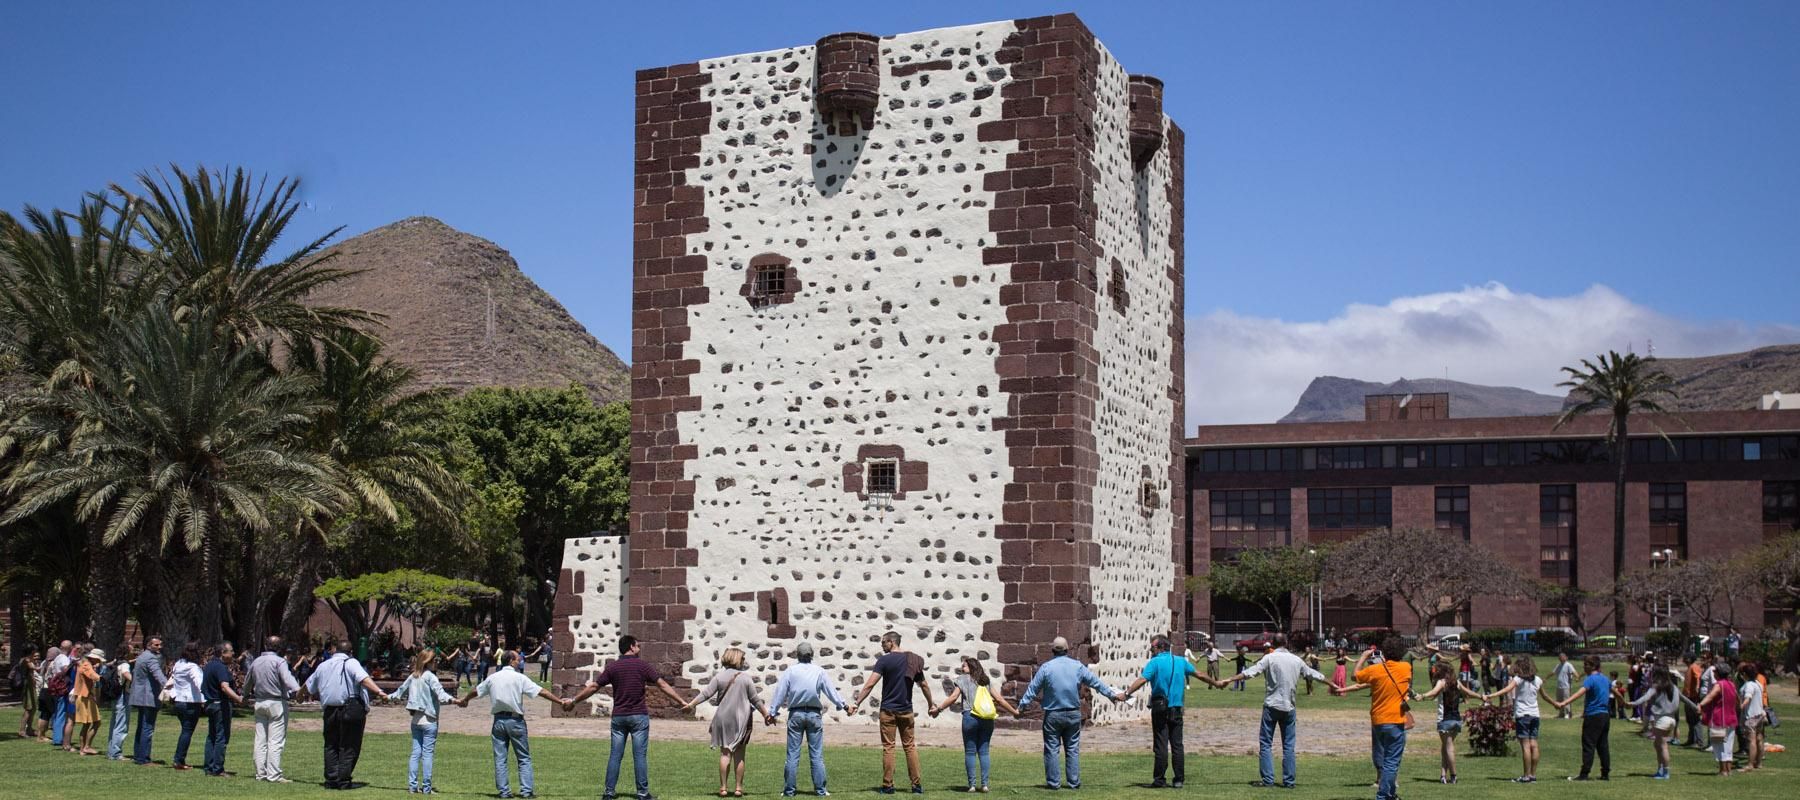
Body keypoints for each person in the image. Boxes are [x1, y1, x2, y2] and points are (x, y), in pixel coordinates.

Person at [564, 634, 692, 800]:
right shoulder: (642, 666)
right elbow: (662, 684)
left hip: (619, 717)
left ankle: (609, 792)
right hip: (639, 716)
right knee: (639, 756)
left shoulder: (613, 667)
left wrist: (574, 701)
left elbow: (594, 686)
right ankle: (642, 793)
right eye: (637, 645)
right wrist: (682, 701)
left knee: (615, 755)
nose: (639, 648)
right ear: (631, 647)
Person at [1211, 633, 1333, 788]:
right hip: (1289, 706)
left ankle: (1268, 780)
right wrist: (1332, 684)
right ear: (1287, 643)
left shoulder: (1269, 658)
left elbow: (1250, 672)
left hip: (1271, 705)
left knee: (1266, 743)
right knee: (1289, 745)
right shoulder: (1296, 660)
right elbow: (1314, 674)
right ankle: (1289, 781)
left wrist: (1229, 679)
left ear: (1273, 644)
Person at [1017, 635, 1127, 791]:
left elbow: (1032, 689)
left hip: (1053, 714)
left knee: (1052, 749)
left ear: (1052, 650)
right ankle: (1073, 782)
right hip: (1073, 713)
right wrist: (1111, 694)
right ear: (1067, 650)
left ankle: (1054, 783)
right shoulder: (1077, 666)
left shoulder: (1046, 668)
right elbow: (1096, 683)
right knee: (1072, 748)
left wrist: (1021, 707)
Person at [459, 649, 565, 799]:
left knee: (500, 757)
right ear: (510, 661)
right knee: (523, 757)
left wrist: (465, 700)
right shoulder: (519, 678)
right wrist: (559, 701)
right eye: (517, 659)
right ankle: (526, 791)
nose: (520, 660)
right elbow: (541, 691)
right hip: (515, 720)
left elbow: (476, 690)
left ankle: (504, 791)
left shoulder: (493, 677)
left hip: (498, 721)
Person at [851, 631, 937, 795]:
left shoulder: (884, 660)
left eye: (883, 642)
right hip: (906, 710)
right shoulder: (912, 660)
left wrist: (857, 703)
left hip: (888, 711)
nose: (882, 645)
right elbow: (924, 685)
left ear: (891, 642)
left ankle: (888, 786)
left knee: (889, 748)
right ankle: (916, 786)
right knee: (910, 747)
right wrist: (930, 704)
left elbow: (870, 684)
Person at [680, 648, 769, 798]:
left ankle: (723, 788)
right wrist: (766, 714)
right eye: (742, 659)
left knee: (725, 753)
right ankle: (738, 788)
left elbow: (706, 694)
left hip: (723, 718)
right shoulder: (745, 678)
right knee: (739, 754)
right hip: (741, 719)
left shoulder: (719, 677)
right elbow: (755, 700)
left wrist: (691, 705)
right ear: (736, 659)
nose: (743, 662)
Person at [305, 638, 391, 790]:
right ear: (350, 652)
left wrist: (298, 696)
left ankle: (332, 780)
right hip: (351, 707)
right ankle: (343, 780)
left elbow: (308, 684)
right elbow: (363, 679)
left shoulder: (323, 665)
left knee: (331, 745)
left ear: (335, 651)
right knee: (349, 745)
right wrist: (379, 692)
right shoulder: (351, 663)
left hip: (330, 710)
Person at [1333, 637, 1412, 800]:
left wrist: (1363, 657)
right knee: (1392, 761)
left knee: (1384, 757)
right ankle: (1383, 795)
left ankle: (1390, 794)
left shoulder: (1376, 670)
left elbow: (1355, 676)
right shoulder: (1406, 667)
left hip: (1378, 719)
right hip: (1396, 719)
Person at [768, 641, 850, 797]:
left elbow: (780, 693)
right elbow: (831, 691)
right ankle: (820, 790)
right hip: (814, 715)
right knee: (816, 755)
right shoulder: (819, 671)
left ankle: (789, 790)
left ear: (797, 654)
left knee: (792, 755)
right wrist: (844, 706)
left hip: (796, 714)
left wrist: (773, 712)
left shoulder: (790, 671)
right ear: (811, 654)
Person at [929, 655, 1019, 794]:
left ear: (970, 667)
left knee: (970, 752)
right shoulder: (985, 680)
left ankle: (971, 785)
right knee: (984, 751)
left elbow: (953, 697)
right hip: (987, 719)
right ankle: (984, 785)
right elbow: (999, 699)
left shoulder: (962, 680)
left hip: (970, 717)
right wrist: (1014, 711)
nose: (961, 668)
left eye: (964, 666)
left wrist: (939, 709)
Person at [1119, 635, 1199, 789]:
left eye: (1152, 648)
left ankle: (1160, 779)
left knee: (1161, 745)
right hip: (1176, 708)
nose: (1151, 651)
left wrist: (1127, 693)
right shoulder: (1180, 661)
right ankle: (1178, 780)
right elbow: (1199, 674)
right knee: (1177, 745)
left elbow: (1142, 680)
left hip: (1160, 707)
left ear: (1161, 647)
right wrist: (1216, 682)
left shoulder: (1154, 663)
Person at [1551, 655, 1626, 781]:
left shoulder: (1590, 679)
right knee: (1603, 745)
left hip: (1593, 715)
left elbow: (1579, 693)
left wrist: (1564, 703)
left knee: (1589, 744)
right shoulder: (1605, 679)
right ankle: (1605, 773)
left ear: (1592, 666)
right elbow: (1616, 692)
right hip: (1605, 716)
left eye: (1586, 664)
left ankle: (1584, 774)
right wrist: (1624, 702)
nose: (1584, 667)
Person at [391, 650, 456, 794]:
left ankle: (412, 786)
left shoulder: (413, 676)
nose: (437, 662)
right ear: (428, 662)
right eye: (435, 660)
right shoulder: (430, 677)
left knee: (415, 754)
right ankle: (426, 788)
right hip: (429, 720)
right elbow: (441, 694)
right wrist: (455, 700)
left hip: (415, 721)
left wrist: (385, 696)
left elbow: (399, 692)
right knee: (427, 754)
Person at [244, 636, 301, 782]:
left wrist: (243, 696)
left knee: (260, 739)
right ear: (280, 647)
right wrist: (299, 691)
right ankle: (274, 774)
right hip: (276, 703)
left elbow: (247, 682)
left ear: (265, 645)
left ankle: (260, 773)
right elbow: (287, 679)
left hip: (260, 702)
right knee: (275, 741)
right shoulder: (279, 661)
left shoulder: (256, 661)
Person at [1416, 661, 1482, 784]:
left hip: (1444, 720)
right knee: (1445, 747)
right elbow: (1468, 692)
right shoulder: (1456, 682)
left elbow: (1434, 692)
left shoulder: (1442, 682)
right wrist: (1481, 697)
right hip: (1456, 720)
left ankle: (1453, 775)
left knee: (1449, 748)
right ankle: (1442, 775)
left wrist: (1422, 695)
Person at [1630, 665, 1698, 780]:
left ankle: (1665, 772)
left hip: (1662, 720)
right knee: (1657, 744)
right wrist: (1696, 708)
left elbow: (1645, 698)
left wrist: (1632, 703)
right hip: (1671, 720)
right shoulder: (1673, 687)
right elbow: (1685, 699)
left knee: (1662, 746)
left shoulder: (1655, 687)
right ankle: (1660, 769)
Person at [201, 643, 244, 777]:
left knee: (212, 736)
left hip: (210, 704)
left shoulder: (209, 665)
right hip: (220, 705)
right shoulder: (221, 667)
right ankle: (218, 769)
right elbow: (224, 687)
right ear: (222, 653)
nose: (233, 654)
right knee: (222, 736)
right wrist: (238, 698)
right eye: (231, 651)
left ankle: (209, 766)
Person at [165, 642, 206, 770]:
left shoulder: (179, 664)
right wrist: (206, 698)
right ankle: (179, 760)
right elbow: (200, 683)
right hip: (191, 702)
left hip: (179, 700)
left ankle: (179, 759)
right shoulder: (193, 667)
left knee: (185, 730)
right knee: (187, 731)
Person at [1696, 661, 1739, 775]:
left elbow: (1710, 696)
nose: (1713, 673)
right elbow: (1737, 700)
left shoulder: (1719, 684)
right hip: (1731, 717)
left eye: (1715, 671)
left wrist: (1701, 704)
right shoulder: (1731, 684)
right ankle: (1728, 769)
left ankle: (1723, 770)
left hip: (1720, 718)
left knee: (1719, 743)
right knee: (1729, 745)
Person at [129, 636, 166, 764]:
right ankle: (143, 758)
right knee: (147, 728)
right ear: (149, 645)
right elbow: (158, 674)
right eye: (156, 645)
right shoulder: (151, 658)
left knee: (141, 727)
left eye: (160, 644)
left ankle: (138, 755)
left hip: (139, 696)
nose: (159, 647)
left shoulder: (141, 656)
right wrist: (168, 686)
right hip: (148, 697)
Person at [70, 648, 103, 755]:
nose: (99, 662)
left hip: (84, 696)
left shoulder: (85, 664)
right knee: (95, 723)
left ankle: (82, 749)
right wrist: (102, 678)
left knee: (87, 724)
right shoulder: (86, 665)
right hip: (84, 697)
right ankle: (86, 747)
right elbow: (91, 675)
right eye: (98, 659)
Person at [1739, 663, 1766, 771]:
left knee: (1752, 740)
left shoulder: (1749, 685)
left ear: (1745, 674)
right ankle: (1758, 763)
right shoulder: (1758, 683)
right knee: (1759, 739)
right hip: (1759, 714)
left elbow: (1748, 697)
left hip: (1751, 716)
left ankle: (1750, 764)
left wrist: (1741, 705)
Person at [11, 646, 40, 739]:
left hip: (31, 687)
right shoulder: (26, 660)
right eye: (34, 651)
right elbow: (34, 668)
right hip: (27, 687)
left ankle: (29, 729)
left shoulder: (28, 659)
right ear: (31, 651)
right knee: (29, 708)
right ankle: (22, 731)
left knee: (33, 707)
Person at [1551, 651, 1577, 720]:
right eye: (1560, 657)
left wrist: (1577, 677)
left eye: (1562, 657)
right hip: (1559, 686)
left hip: (1566, 686)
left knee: (1566, 700)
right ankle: (1561, 713)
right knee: (1559, 700)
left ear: (1566, 657)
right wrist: (1545, 678)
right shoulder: (1558, 665)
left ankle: (1567, 714)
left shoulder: (1568, 665)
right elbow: (1553, 672)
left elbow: (1574, 672)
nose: (1561, 658)